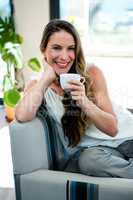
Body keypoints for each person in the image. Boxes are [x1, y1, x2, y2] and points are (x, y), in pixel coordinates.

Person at [15, 19, 133, 178]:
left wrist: (84, 101)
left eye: (70, 49)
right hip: (100, 151)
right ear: (44, 50)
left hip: (127, 137)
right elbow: (21, 116)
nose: (64, 57)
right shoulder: (38, 86)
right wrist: (45, 79)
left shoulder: (91, 73)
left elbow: (113, 129)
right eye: (56, 48)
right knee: (88, 162)